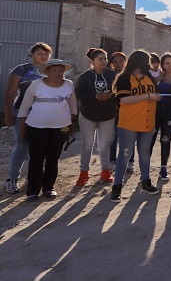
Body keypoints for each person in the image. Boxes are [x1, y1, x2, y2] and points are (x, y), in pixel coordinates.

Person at [17, 59, 77, 202]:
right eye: (54, 70)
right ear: (47, 72)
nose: (58, 73)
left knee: (53, 157)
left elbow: (73, 106)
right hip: (37, 127)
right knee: (36, 158)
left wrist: (71, 126)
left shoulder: (69, 84)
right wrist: (22, 128)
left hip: (62, 127)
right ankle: (33, 190)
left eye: (60, 70)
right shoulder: (36, 85)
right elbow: (24, 107)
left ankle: (49, 187)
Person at [110, 50, 162, 203]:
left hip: (147, 121)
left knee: (145, 152)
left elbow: (154, 95)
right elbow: (124, 100)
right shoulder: (125, 78)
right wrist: (147, 96)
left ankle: (146, 181)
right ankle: (117, 186)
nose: (147, 64)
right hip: (129, 122)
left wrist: (155, 97)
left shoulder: (149, 77)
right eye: (145, 61)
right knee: (125, 154)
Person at [4, 42, 52, 194]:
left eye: (46, 54)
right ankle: (11, 179)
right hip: (22, 113)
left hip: (44, 114)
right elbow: (10, 93)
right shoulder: (22, 69)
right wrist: (8, 114)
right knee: (22, 144)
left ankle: (33, 177)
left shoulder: (51, 70)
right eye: (40, 53)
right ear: (32, 54)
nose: (43, 56)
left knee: (39, 147)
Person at [74, 48, 118, 186]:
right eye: (100, 59)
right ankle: (84, 173)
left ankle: (106, 171)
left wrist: (110, 96)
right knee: (87, 145)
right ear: (92, 61)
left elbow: (121, 91)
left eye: (105, 58)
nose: (103, 61)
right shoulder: (84, 77)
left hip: (108, 115)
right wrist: (95, 95)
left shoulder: (113, 75)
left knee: (104, 145)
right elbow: (79, 94)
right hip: (88, 115)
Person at [149, 52, 171, 181]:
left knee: (166, 139)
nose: (170, 65)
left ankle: (163, 168)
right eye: (167, 63)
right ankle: (145, 168)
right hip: (155, 112)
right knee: (150, 139)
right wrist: (157, 80)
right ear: (163, 65)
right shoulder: (159, 77)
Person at [108, 52, 127, 169]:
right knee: (112, 137)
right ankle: (112, 160)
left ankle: (129, 160)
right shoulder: (109, 76)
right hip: (113, 111)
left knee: (127, 137)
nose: (119, 63)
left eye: (121, 60)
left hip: (127, 110)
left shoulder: (130, 75)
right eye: (115, 61)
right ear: (112, 64)